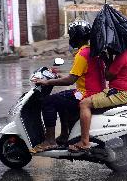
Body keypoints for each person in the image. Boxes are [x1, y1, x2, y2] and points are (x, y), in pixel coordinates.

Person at [30, 20, 105, 153]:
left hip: (85, 94)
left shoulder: (82, 54)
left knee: (49, 101)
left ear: (76, 36)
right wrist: (59, 77)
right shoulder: (92, 51)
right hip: (94, 92)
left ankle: (50, 141)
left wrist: (47, 82)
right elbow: (78, 74)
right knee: (61, 100)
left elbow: (70, 80)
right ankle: (65, 135)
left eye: (71, 35)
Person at [69, 47, 127, 152]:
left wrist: (108, 59)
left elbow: (108, 76)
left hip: (121, 93)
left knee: (84, 104)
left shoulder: (121, 56)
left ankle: (84, 142)